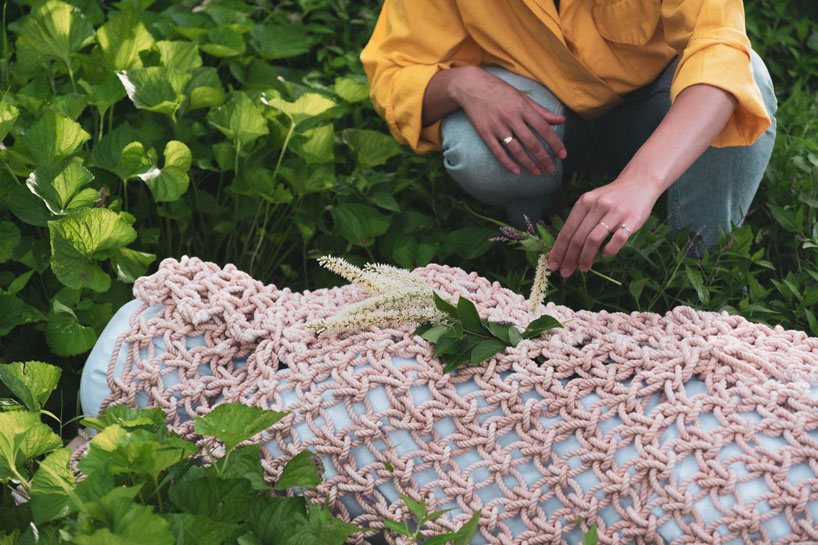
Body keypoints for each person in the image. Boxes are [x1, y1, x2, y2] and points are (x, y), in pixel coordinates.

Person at [360, 0, 777, 279]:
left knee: (747, 78)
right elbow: (393, 70)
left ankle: (697, 275)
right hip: (541, 113)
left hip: (653, 112)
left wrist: (642, 180)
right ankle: (536, 244)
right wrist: (463, 84)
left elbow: (719, 50)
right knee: (475, 150)